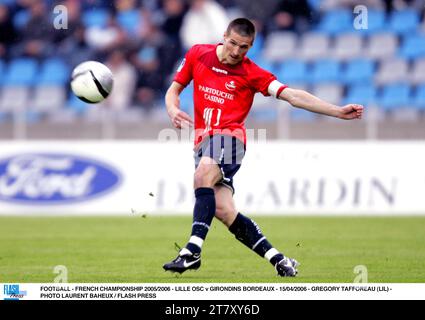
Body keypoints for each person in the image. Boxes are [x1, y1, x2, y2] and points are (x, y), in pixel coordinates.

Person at [163, 18, 364, 277]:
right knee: (224, 211)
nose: (236, 51)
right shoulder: (198, 54)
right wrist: (172, 108)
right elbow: (174, 89)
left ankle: (192, 252)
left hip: (230, 139)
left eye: (244, 47)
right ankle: (279, 260)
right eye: (233, 43)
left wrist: (336, 111)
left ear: (251, 46)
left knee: (203, 173)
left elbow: (292, 95)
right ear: (224, 36)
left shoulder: (251, 72)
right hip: (203, 141)